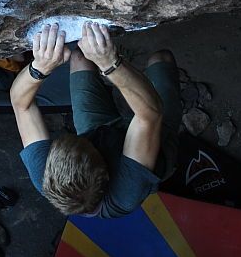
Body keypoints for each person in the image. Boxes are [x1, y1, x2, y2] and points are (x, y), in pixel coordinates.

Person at [10, 21, 182, 218]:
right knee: (161, 57)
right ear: (107, 173)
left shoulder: (45, 173)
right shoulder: (127, 190)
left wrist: (39, 68)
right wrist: (110, 64)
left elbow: (20, 104)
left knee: (79, 57)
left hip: (97, 131)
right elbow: (149, 114)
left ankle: (106, 64)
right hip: (153, 143)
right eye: (82, 141)